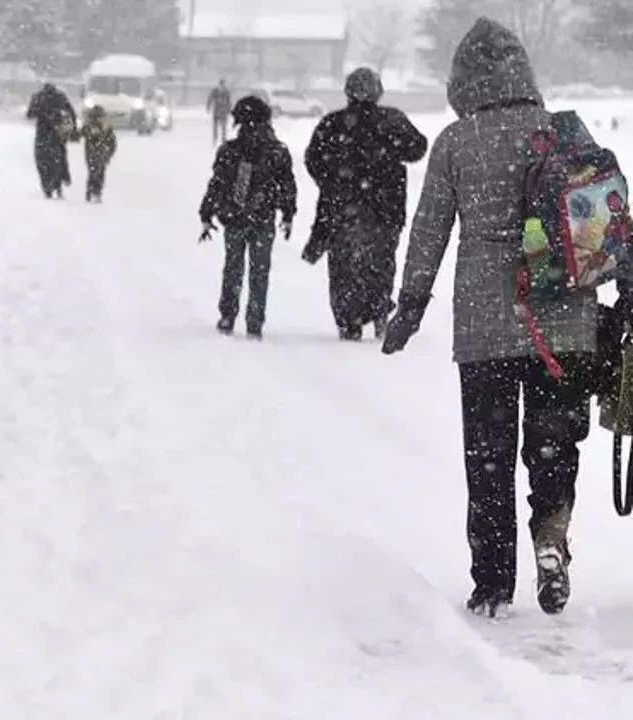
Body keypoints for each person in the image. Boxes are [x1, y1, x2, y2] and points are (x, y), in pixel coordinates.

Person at [382, 18, 616, 618]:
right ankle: (551, 538)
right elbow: (604, 222)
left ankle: (491, 585)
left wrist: (410, 304)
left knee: (487, 456)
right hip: (563, 320)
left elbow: (429, 230)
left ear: (463, 81)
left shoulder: (458, 142)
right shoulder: (562, 133)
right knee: (554, 445)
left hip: (486, 324)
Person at [303, 67, 428, 341]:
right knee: (380, 263)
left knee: (343, 267)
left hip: (342, 210)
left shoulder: (333, 124)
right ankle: (379, 309)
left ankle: (349, 319)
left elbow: (313, 159)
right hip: (386, 209)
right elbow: (418, 148)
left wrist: (333, 181)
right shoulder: (392, 120)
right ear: (377, 91)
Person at [198, 96, 297, 340]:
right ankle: (254, 320)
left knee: (233, 267)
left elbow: (217, 184)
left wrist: (207, 212)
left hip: (234, 217)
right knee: (259, 270)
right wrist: (288, 213)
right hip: (263, 218)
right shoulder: (277, 151)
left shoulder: (230, 151)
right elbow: (287, 185)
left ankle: (228, 314)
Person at [26, 83, 77, 199]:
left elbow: (29, 114)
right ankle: (60, 181)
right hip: (56, 132)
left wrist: (41, 113)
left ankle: (47, 187)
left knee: (42, 161)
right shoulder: (60, 97)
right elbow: (71, 112)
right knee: (59, 158)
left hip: (43, 133)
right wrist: (72, 127)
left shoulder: (38, 97)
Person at [80, 105, 117, 203]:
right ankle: (94, 191)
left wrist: (109, 153)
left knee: (96, 172)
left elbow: (112, 142)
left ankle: (93, 191)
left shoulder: (105, 128)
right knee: (96, 172)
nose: (97, 119)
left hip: (99, 154)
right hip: (96, 153)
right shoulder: (91, 127)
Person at [206, 79, 232, 148]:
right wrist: (208, 106)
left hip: (223, 111)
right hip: (217, 110)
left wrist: (229, 109)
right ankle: (216, 138)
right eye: (221, 84)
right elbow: (210, 98)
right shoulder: (216, 91)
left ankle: (222, 139)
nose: (222, 86)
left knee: (223, 126)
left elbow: (229, 101)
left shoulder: (226, 91)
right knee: (216, 126)